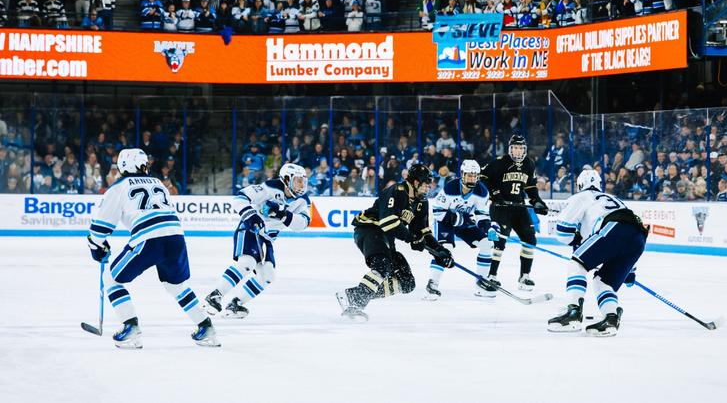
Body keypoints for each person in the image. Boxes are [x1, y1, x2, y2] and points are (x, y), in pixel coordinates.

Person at [86, 148, 219, 349]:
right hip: (175, 236)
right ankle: (206, 327)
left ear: (123, 165)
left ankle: (130, 328)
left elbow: (100, 228)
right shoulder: (158, 183)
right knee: (177, 286)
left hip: (148, 238)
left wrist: (96, 245)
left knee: (111, 279)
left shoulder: (119, 187)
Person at [336, 164, 453, 321]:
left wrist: (440, 251)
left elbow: (422, 231)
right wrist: (412, 238)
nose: (428, 188)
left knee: (407, 282)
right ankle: (356, 301)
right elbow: (388, 223)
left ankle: (355, 294)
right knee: (383, 265)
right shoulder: (396, 191)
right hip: (369, 230)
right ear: (415, 182)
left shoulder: (421, 203)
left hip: (386, 237)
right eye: (425, 183)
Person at [547, 169, 647, 337]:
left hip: (613, 230)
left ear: (579, 185)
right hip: (638, 238)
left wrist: (577, 239)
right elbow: (626, 229)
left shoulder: (580, 197)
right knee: (603, 282)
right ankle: (611, 319)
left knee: (577, 264)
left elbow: (563, 233)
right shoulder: (613, 199)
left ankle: (573, 313)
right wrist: (629, 271)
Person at [204, 164, 310, 318]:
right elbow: (240, 198)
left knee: (267, 275)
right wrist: (251, 215)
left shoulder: (302, 200)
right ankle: (215, 295)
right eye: (298, 180)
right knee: (247, 263)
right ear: (287, 179)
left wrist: (283, 215)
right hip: (251, 229)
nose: (302, 185)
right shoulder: (269, 187)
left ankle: (236, 304)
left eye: (303, 181)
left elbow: (303, 224)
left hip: (267, 239)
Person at [479, 134, 548, 293]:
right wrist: (495, 194)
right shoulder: (499, 162)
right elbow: (483, 177)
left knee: (530, 238)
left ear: (524, 149)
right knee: (500, 241)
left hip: (519, 208)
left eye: (520, 148)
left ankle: (524, 276)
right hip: (500, 208)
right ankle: (492, 275)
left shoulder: (529, 164)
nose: (517, 151)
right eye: (515, 148)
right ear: (510, 149)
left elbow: (530, 186)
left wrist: (537, 201)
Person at [424, 160, 493, 300]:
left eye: (475, 176)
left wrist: (488, 228)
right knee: (445, 248)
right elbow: (437, 211)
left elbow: (482, 215)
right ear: (462, 174)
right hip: (445, 221)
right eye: (469, 175)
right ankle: (433, 283)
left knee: (487, 244)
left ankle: (482, 282)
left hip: (463, 222)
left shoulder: (482, 191)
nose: (472, 178)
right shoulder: (450, 188)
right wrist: (457, 218)